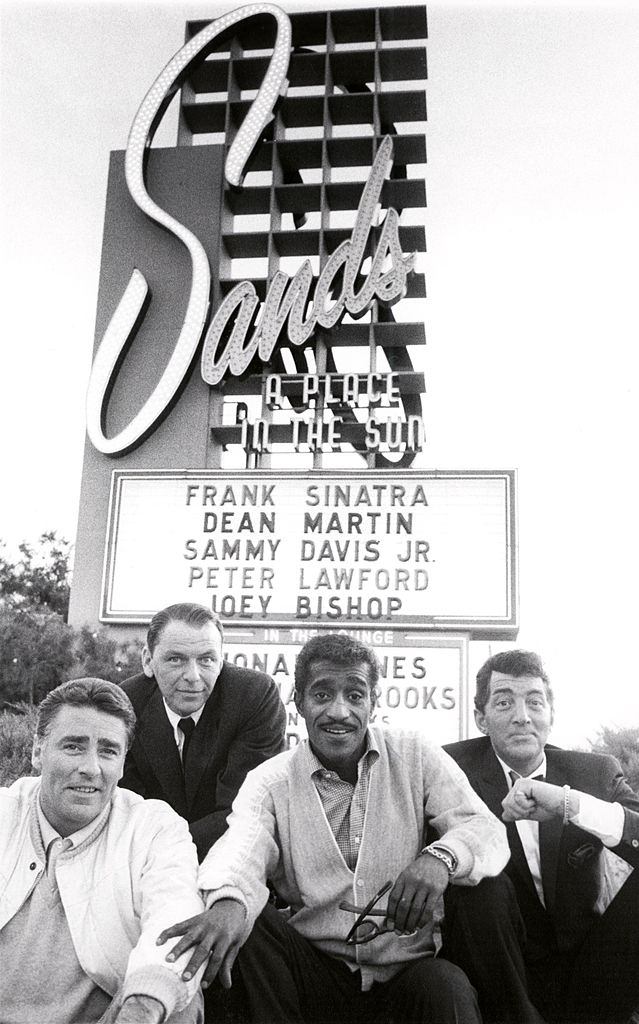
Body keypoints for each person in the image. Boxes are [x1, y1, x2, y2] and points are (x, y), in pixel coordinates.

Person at [157, 633, 509, 1024]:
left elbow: (484, 828)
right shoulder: (271, 780)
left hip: (405, 974)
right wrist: (227, 901)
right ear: (299, 702)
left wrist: (441, 858)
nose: (339, 712)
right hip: (314, 971)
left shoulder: (414, 753)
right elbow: (242, 848)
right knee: (244, 924)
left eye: (355, 696)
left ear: (374, 701)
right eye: (322, 695)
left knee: (447, 986)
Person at [442, 649, 639, 1024]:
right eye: (504, 703)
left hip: (591, 975)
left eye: (535, 702)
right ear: (480, 718)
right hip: (498, 980)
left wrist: (570, 804)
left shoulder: (593, 773)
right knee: (478, 883)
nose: (522, 717)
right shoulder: (450, 769)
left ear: (552, 714)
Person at [0, 677, 205, 1024]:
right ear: (38, 751)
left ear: (123, 763)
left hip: (111, 1018)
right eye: (73, 747)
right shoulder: (6, 813)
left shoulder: (153, 827)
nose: (91, 768)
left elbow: (173, 917)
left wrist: (142, 1008)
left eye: (108, 751)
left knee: (174, 1000)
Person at [119, 602, 286, 860]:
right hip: (143, 863)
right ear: (148, 661)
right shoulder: (127, 704)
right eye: (176, 660)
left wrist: (168, 851)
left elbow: (244, 809)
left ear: (221, 660)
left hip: (229, 857)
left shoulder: (253, 697)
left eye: (207, 659)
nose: (193, 676)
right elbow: (126, 809)